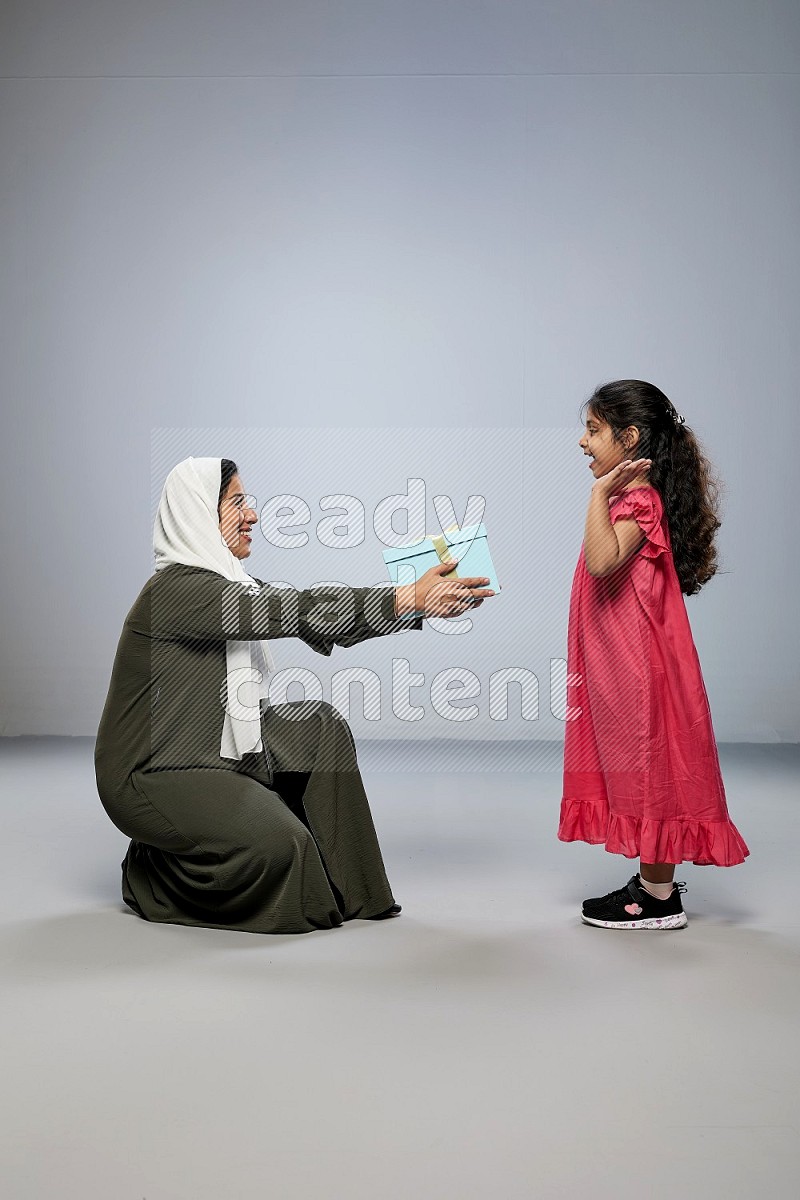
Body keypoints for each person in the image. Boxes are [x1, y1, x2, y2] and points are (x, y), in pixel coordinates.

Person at [95, 457, 494, 935]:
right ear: (200, 513)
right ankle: (152, 870)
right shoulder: (177, 591)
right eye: (237, 502)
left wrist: (415, 603)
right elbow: (295, 610)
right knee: (282, 848)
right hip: (155, 772)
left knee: (320, 726)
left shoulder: (232, 585)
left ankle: (355, 891)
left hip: (210, 745)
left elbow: (313, 617)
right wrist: (403, 597)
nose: (253, 515)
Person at [558, 380, 749, 930]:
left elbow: (602, 561)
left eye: (593, 430)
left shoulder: (637, 500)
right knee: (644, 766)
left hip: (638, 668)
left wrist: (596, 497)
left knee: (648, 766)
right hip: (622, 661)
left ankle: (658, 898)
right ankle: (653, 885)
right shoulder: (632, 497)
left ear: (630, 436)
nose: (583, 442)